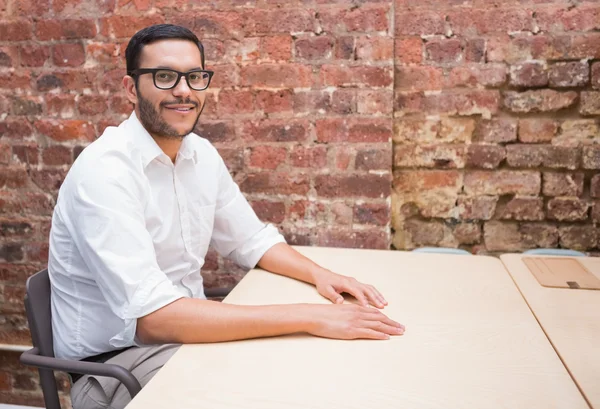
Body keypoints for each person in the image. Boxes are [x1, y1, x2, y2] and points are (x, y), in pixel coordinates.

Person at [48, 23, 405, 409]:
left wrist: (323, 276)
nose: (184, 91)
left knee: (311, 370)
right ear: (131, 88)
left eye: (195, 77)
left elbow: (251, 240)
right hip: (115, 369)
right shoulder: (105, 172)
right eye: (164, 77)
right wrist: (309, 316)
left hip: (184, 342)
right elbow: (152, 320)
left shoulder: (198, 154)